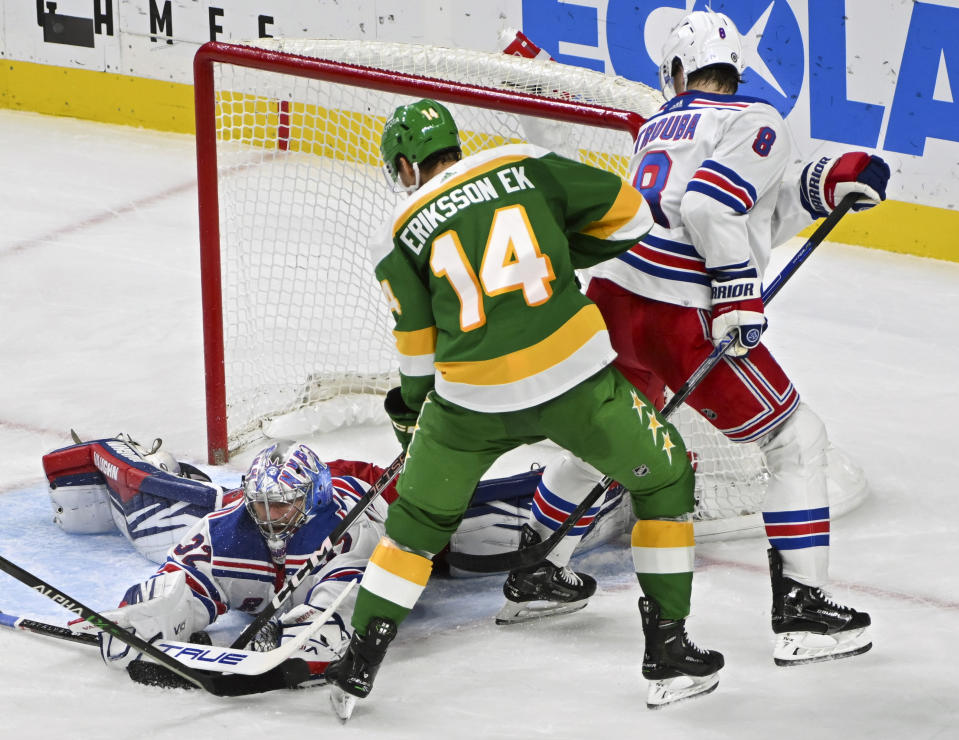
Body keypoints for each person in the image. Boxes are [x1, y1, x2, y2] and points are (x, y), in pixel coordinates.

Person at [506, 10, 887, 668]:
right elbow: (714, 207)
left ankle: (536, 570)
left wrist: (828, 183)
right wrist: (738, 297)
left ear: (679, 73)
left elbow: (745, 206)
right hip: (682, 312)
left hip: (617, 301)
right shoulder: (756, 118)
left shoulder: (659, 125)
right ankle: (804, 611)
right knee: (797, 439)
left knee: (616, 436)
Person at [325, 97, 723, 718]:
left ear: (405, 166)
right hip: (576, 383)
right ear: (456, 145)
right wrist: (559, 251)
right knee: (668, 476)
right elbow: (631, 217)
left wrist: (409, 413)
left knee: (415, 530)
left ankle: (359, 664)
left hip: (469, 403)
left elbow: (417, 357)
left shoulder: (398, 229)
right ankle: (668, 650)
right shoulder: (524, 162)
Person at [46, 433, 629, 681]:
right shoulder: (233, 525)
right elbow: (186, 572)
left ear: (312, 499)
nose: (271, 518)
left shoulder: (349, 527)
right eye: (264, 506)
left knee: (454, 539)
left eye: (284, 506)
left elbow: (352, 594)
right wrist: (148, 614)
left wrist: (313, 630)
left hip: (383, 499)